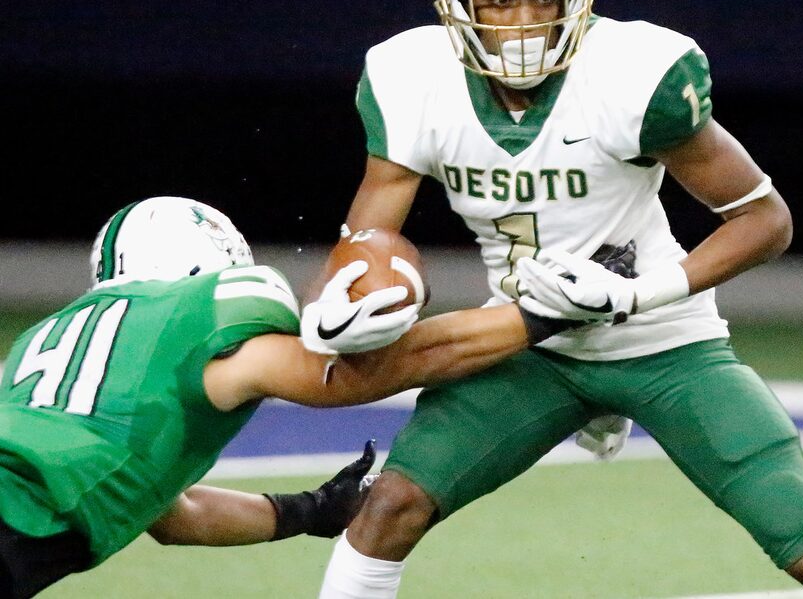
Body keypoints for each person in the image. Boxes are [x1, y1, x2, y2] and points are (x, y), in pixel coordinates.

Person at [315, 0, 803, 598]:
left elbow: (765, 219)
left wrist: (633, 294)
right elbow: (370, 234)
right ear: (455, 0)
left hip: (662, 342)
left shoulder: (631, 73)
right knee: (388, 507)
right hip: (525, 344)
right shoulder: (411, 78)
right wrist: (342, 294)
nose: (524, 20)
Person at [0, 195, 559, 598]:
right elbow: (355, 378)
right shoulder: (202, 317)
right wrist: (539, 315)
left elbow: (175, 515)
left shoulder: (46, 343)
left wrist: (312, 511)